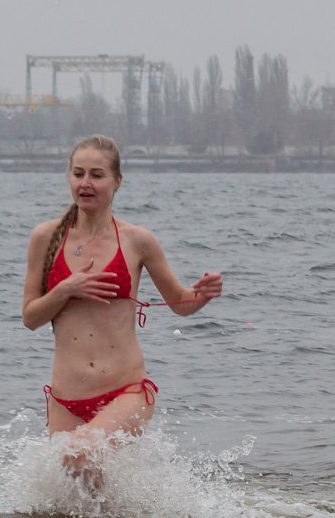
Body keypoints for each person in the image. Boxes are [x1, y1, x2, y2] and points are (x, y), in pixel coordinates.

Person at [22, 135, 223, 481]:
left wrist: (200, 296)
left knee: (78, 452)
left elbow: (179, 303)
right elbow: (30, 318)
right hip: (65, 399)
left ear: (117, 181)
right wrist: (66, 289)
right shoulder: (45, 237)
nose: (85, 183)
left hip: (125, 391)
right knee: (76, 509)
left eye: (96, 175)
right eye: (78, 173)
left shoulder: (137, 240)